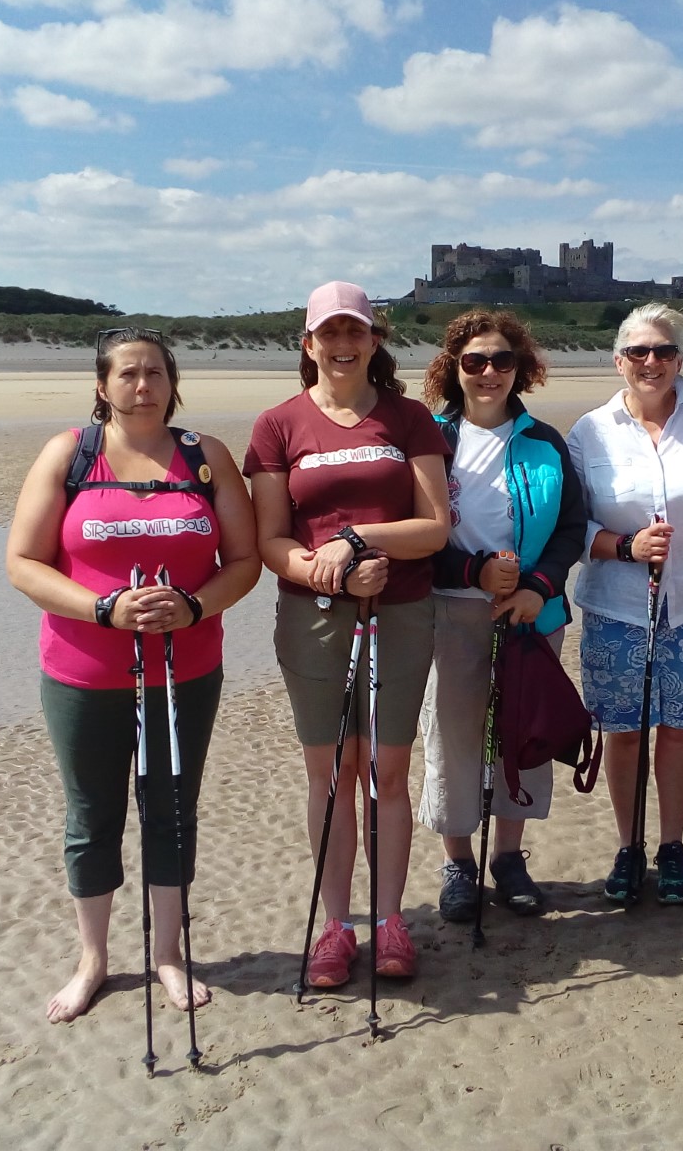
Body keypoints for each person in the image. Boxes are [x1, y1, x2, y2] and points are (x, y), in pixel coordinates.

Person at [7, 326, 261, 1023]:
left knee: (171, 810)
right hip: (84, 674)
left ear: (173, 384)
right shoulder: (69, 454)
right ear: (102, 386)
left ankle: (169, 954)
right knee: (92, 814)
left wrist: (194, 605)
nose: (142, 386)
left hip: (185, 670)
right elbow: (22, 563)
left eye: (155, 373)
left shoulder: (205, 457)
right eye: (127, 374)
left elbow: (244, 561)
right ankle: (92, 960)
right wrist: (105, 608)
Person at [244, 281, 449, 987]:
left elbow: (434, 528)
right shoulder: (278, 424)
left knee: (386, 773)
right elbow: (271, 540)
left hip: (402, 613)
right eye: (328, 333)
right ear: (308, 344)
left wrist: (357, 540)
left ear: (374, 340)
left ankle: (390, 919)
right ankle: (336, 925)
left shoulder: (409, 418)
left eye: (354, 331)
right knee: (332, 774)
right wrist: (329, 574)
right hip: (315, 619)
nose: (341, 344)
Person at [567, 303, 683, 904]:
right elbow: (570, 528)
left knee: (678, 729)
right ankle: (629, 846)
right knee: (623, 732)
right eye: (639, 352)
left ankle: (672, 847)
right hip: (616, 607)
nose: (652, 362)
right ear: (618, 360)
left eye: (665, 351)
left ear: (680, 358)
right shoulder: (589, 431)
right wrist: (625, 546)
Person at [417, 310, 586, 921]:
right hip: (450, 611)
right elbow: (416, 535)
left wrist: (538, 587)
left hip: (531, 615)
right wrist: (474, 572)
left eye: (502, 360)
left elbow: (572, 528)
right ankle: (458, 862)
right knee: (454, 735)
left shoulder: (545, 441)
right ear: (454, 368)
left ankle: (509, 858)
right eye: (475, 361)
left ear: (521, 368)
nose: (489, 372)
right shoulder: (430, 438)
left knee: (522, 732)